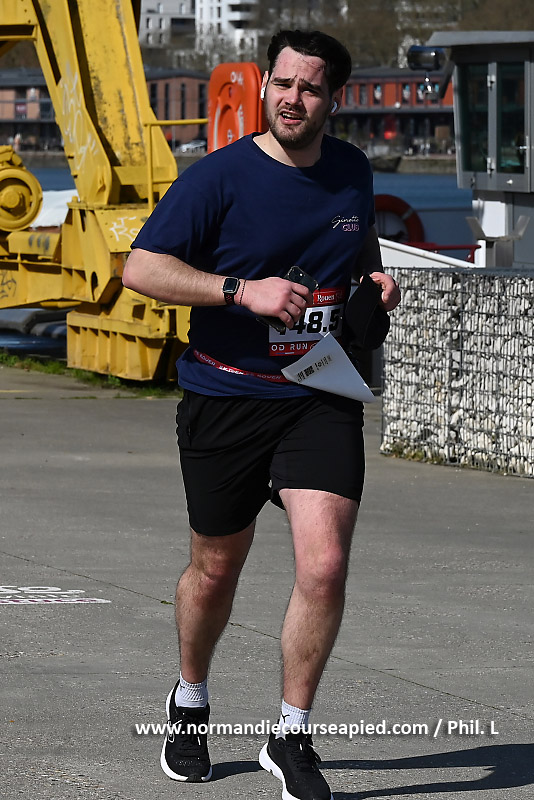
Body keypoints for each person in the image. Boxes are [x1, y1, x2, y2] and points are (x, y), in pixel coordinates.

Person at [123, 28, 401, 800]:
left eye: (309, 88)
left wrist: (378, 286)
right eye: (282, 83)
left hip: (319, 392)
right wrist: (241, 291)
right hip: (225, 394)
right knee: (216, 569)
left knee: (325, 563)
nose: (292, 99)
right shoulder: (219, 178)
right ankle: (190, 700)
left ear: (333, 98)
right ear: (265, 85)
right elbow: (141, 268)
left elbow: (361, 256)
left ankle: (292, 735)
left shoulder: (351, 170)